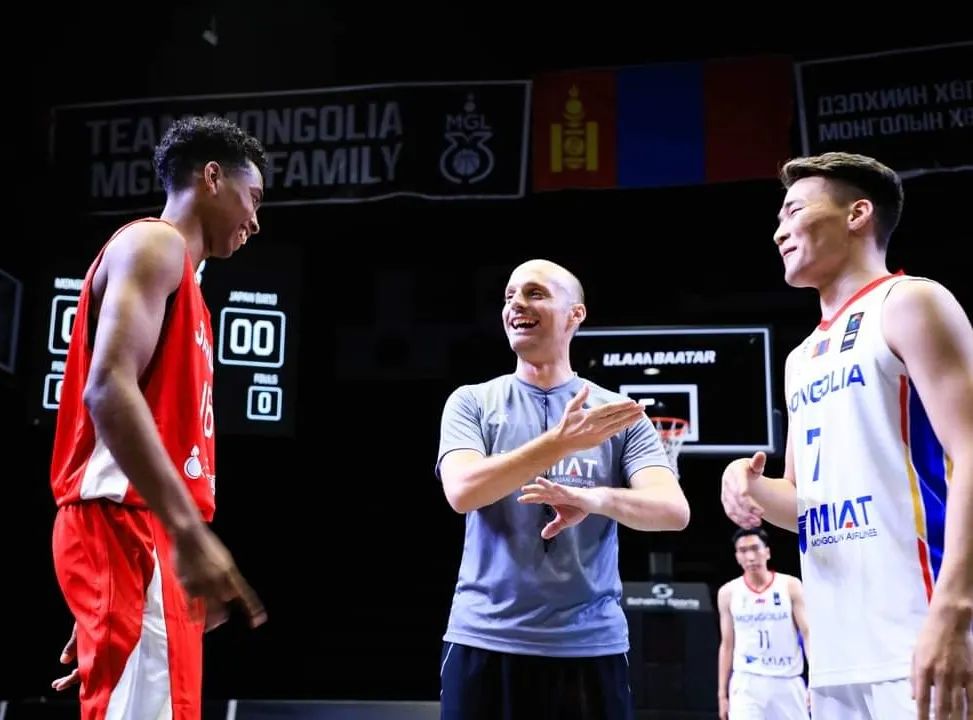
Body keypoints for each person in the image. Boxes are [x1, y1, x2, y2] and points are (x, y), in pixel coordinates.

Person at [720, 151, 973, 719]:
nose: (779, 230)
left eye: (794, 211)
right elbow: (802, 507)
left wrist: (955, 608)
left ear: (857, 214)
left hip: (920, 629)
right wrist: (747, 484)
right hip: (837, 655)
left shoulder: (910, 302)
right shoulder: (800, 357)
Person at [49, 115, 268, 719]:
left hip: (141, 542)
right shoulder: (155, 243)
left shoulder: (188, 288)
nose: (255, 220)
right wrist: (189, 535)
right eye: (253, 198)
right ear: (213, 177)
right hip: (131, 527)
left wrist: (107, 592)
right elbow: (107, 390)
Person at [435, 258, 691, 719]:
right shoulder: (471, 401)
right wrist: (560, 443)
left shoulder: (616, 414)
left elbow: (672, 511)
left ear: (576, 314)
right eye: (509, 296)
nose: (516, 304)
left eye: (534, 293)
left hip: (589, 644)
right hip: (485, 638)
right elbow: (462, 491)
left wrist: (595, 499)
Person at [717, 526, 810, 720]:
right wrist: (722, 694)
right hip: (747, 681)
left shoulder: (790, 585)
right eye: (743, 551)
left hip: (787, 680)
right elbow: (727, 645)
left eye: (755, 548)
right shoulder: (728, 593)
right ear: (737, 556)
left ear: (767, 552)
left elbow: (808, 633)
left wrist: (815, 681)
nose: (750, 557)